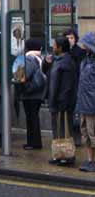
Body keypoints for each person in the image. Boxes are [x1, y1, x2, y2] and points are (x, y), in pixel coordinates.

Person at [47, 36, 78, 165]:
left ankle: (67, 155)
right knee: (57, 130)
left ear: (60, 47)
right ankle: (59, 154)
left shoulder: (66, 62)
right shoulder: (58, 60)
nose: (53, 47)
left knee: (64, 130)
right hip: (56, 102)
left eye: (54, 45)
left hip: (62, 103)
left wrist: (62, 103)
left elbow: (67, 86)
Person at [20, 37, 46, 150]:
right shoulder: (39, 58)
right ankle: (33, 142)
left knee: (31, 118)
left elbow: (25, 75)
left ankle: (33, 143)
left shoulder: (29, 58)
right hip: (38, 92)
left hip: (30, 93)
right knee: (33, 117)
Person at [76, 32, 95, 172]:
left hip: (92, 105)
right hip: (83, 103)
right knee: (85, 134)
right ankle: (90, 160)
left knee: (92, 133)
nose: (83, 47)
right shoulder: (85, 60)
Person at [65, 28, 84, 146]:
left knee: (76, 115)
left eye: (71, 38)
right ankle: (70, 137)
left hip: (77, 86)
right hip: (67, 87)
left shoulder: (79, 52)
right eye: (67, 38)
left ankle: (77, 139)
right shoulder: (63, 52)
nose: (69, 40)